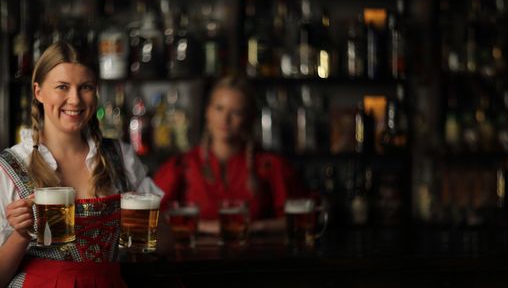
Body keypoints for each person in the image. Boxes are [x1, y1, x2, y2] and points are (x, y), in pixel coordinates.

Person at [0, 41, 163, 287]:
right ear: (38, 92)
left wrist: (150, 222)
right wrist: (21, 236)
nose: (75, 100)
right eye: (62, 87)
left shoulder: (120, 156)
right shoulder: (10, 167)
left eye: (85, 87)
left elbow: (162, 242)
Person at [154, 75, 305, 235]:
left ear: (249, 118)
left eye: (236, 112)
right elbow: (153, 217)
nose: (225, 119)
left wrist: (254, 227)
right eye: (219, 108)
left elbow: (298, 219)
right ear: (208, 112)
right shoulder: (183, 166)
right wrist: (207, 227)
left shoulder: (270, 165)